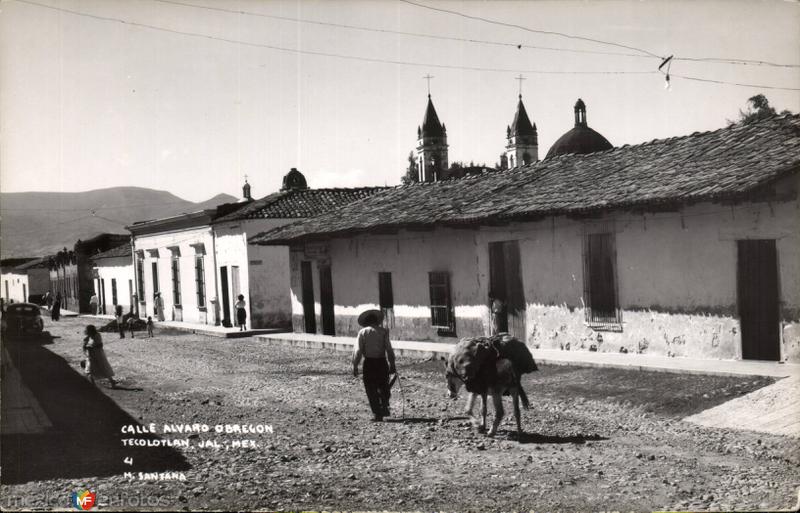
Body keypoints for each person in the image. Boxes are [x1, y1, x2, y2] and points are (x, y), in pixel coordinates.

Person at [352, 309, 396, 421]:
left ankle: (377, 413)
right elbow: (389, 350)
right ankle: (384, 405)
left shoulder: (362, 332)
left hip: (369, 364)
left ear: (366, 322)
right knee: (383, 386)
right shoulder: (383, 332)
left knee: (371, 389)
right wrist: (392, 364)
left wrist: (355, 365)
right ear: (377, 321)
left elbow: (358, 352)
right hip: (382, 362)